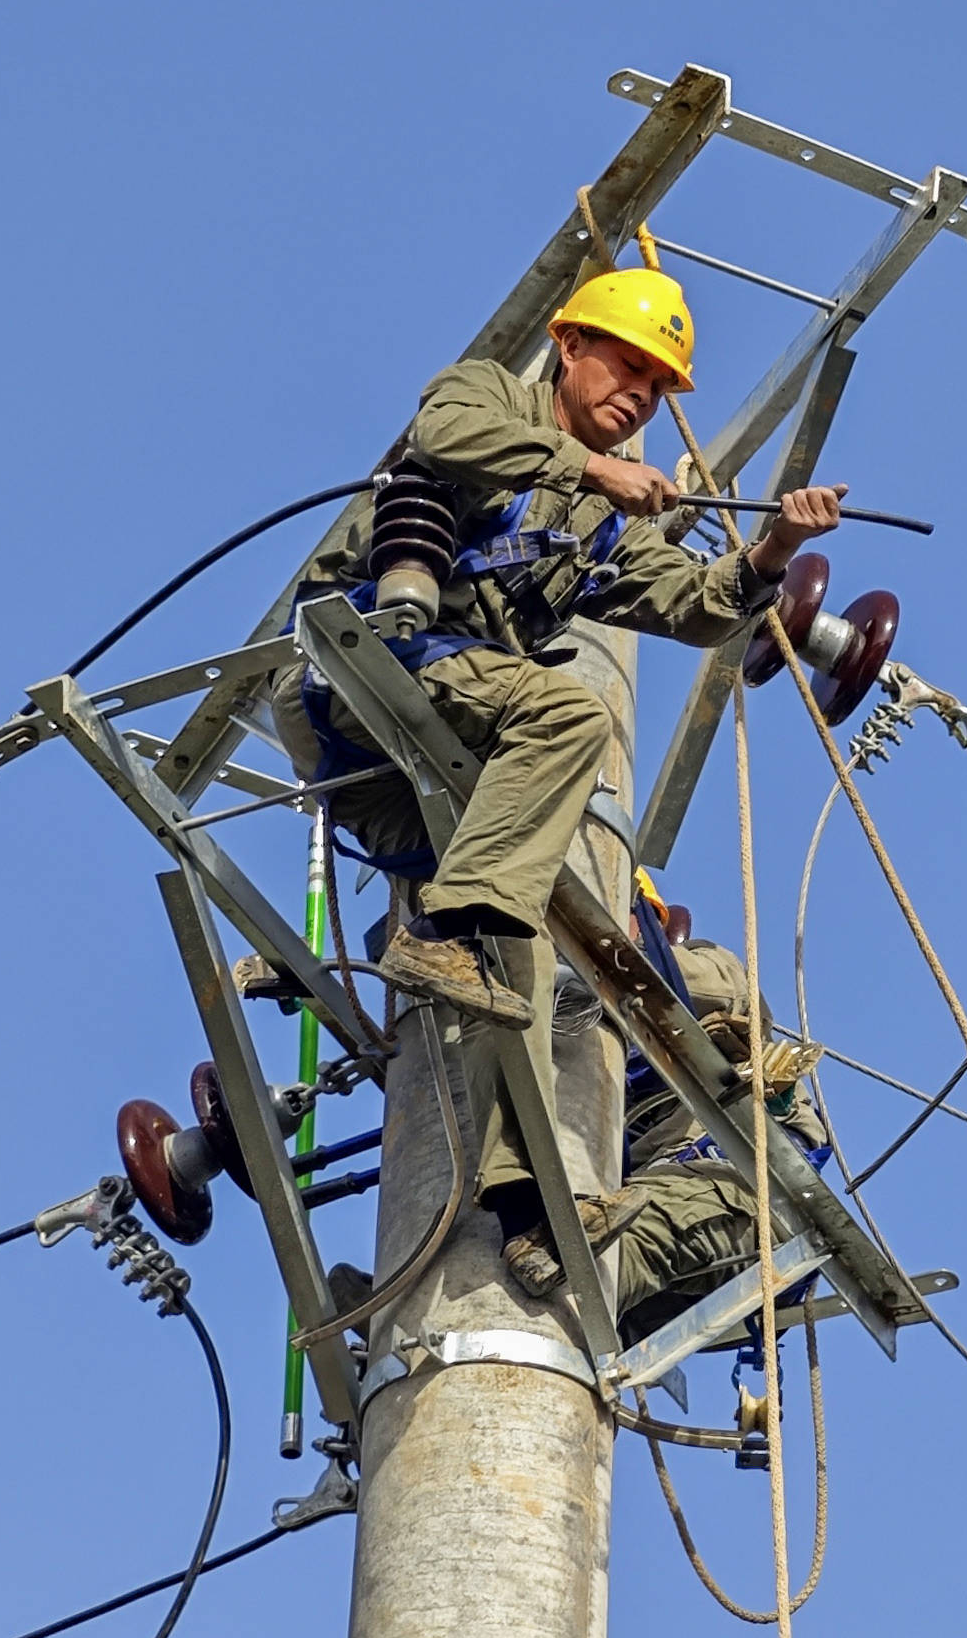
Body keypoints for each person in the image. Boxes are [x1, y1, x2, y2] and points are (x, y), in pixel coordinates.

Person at [269, 266, 843, 1297]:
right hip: (365, 667)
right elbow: (443, 437)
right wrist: (589, 466)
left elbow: (700, 606)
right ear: (572, 346)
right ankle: (446, 930)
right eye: (627, 364)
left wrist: (772, 550)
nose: (640, 395)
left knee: (517, 954)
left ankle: (521, 1201)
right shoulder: (490, 393)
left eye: (659, 386)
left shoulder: (606, 524)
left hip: (435, 747)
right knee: (568, 708)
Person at [590, 931, 831, 1340]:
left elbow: (716, 989)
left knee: (592, 1262)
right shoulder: (597, 1067)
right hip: (667, 1239)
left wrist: (580, 933)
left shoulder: (708, 969)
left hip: (736, 1193)